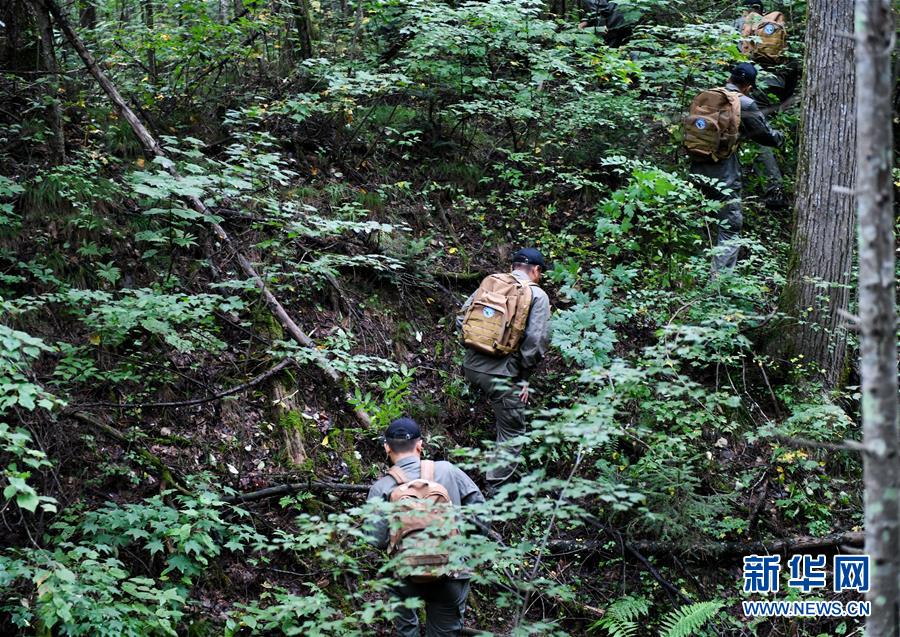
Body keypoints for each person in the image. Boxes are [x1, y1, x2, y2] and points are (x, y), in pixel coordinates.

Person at [366, 418, 485, 637]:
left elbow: (376, 539)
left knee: (405, 628)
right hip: (451, 574)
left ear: (387, 447)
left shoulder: (381, 487)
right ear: (420, 445)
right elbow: (481, 513)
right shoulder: (448, 471)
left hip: (405, 577)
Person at [456, 248, 551, 491]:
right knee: (512, 431)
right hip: (502, 375)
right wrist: (523, 378)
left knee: (500, 413)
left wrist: (477, 349)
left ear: (513, 266)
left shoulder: (491, 283)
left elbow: (461, 319)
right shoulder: (537, 295)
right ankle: (495, 490)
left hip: (470, 366)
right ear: (536, 270)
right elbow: (535, 342)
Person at [689, 63, 784, 272]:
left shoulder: (708, 96)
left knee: (700, 220)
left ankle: (691, 272)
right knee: (729, 228)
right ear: (748, 87)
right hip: (724, 173)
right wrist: (780, 137)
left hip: (696, 167)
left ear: (729, 79)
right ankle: (718, 284)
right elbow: (765, 136)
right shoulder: (745, 103)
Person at [734, 0, 795, 210]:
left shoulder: (742, 23)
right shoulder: (775, 26)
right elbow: (792, 65)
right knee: (757, 128)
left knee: (756, 133)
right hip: (775, 85)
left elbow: (729, 59)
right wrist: (783, 98)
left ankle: (774, 189)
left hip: (751, 85)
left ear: (745, 8)